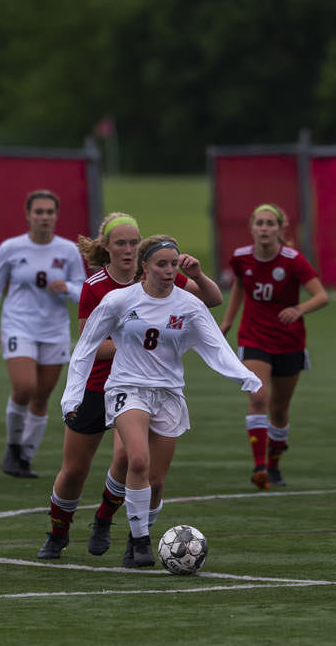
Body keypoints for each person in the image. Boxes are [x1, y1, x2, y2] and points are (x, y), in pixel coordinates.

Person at [62, 235, 262, 568]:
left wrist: (245, 377)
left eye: (173, 264)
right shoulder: (118, 300)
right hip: (128, 387)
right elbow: (85, 348)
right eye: (161, 264)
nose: (169, 271)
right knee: (136, 459)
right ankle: (141, 543)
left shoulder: (188, 304)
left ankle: (131, 537)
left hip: (168, 393)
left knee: (155, 481)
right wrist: (72, 396)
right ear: (145, 267)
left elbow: (215, 345)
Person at [37, 214, 221, 560]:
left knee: (129, 457)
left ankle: (106, 520)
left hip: (141, 387)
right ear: (106, 247)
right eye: (120, 243)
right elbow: (91, 344)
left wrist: (197, 275)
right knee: (74, 470)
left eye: (134, 242)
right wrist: (133, 342)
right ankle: (57, 533)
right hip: (97, 385)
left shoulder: (159, 270)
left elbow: (210, 300)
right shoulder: (95, 287)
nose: (128, 249)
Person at [220, 204, 328, 487]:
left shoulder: (292, 259)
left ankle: (274, 464)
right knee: (257, 398)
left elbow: (321, 296)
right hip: (254, 338)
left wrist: (300, 308)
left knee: (279, 410)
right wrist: (228, 321)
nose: (264, 228)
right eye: (260, 223)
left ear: (281, 229)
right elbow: (240, 288)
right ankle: (259, 468)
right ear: (252, 228)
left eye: (270, 223)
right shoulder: (241, 258)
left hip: (289, 341)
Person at [0, 189, 85, 478]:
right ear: (28, 215)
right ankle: (13, 447)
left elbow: (84, 290)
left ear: (56, 216)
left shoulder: (67, 251)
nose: (44, 217)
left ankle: (24, 457)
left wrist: (69, 288)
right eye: (38, 212)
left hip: (54, 331)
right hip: (18, 326)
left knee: (41, 397)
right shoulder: (11, 248)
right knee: (24, 387)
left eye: (50, 212)